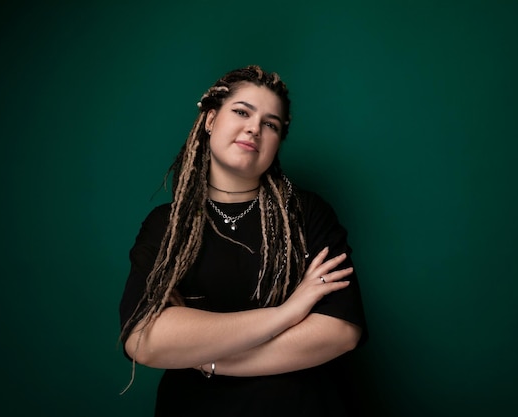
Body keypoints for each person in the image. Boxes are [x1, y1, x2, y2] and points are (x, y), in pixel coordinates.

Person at [119, 65, 368, 416]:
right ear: (209, 120)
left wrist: (212, 362)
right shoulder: (167, 226)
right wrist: (286, 314)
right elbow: (145, 339)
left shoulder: (306, 213)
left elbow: (339, 331)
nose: (254, 127)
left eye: (271, 124)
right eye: (241, 112)